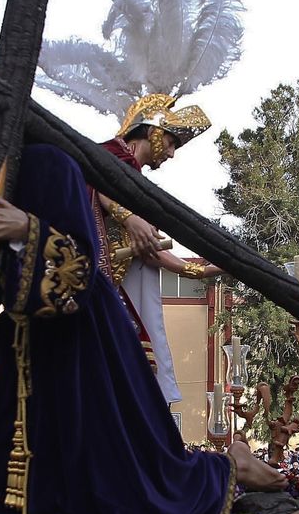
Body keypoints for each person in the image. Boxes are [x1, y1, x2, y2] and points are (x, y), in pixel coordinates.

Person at [0, 108, 285, 514]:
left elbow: (82, 259)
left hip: (84, 337)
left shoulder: (45, 162)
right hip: (19, 342)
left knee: (122, 488)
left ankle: (229, 465)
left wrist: (25, 229)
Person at [93, 100, 224, 405]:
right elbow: (96, 179)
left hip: (110, 290)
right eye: (170, 142)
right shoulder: (107, 157)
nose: (171, 153)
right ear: (153, 131)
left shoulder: (138, 186)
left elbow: (149, 252)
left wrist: (200, 271)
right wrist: (130, 218)